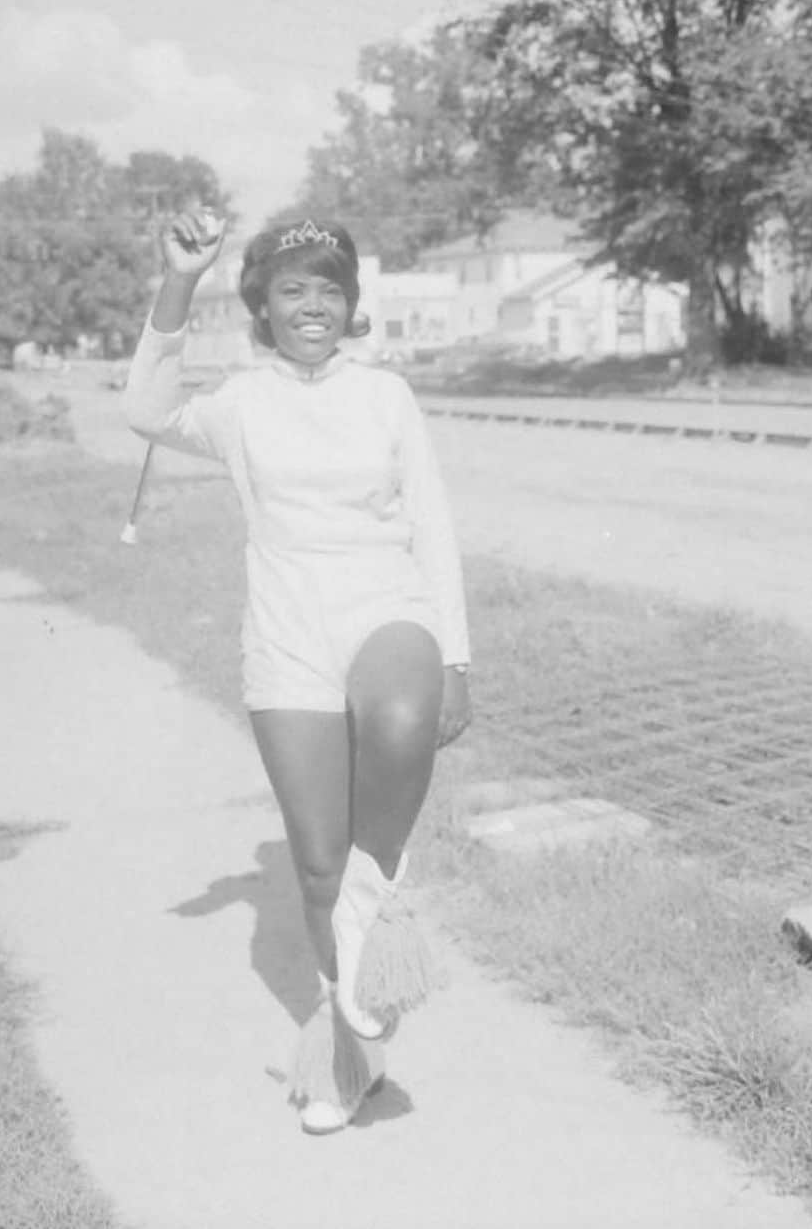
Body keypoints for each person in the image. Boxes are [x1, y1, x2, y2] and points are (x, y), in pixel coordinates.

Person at [124, 212, 472, 1135]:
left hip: (386, 606)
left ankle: (374, 903)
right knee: (318, 865)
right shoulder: (241, 402)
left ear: (350, 305)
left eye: (329, 289)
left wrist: (457, 658)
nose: (312, 305)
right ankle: (348, 1059)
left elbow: (432, 522)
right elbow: (146, 413)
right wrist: (177, 279)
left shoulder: (387, 394)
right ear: (263, 308)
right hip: (286, 636)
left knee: (400, 725)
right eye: (292, 290)